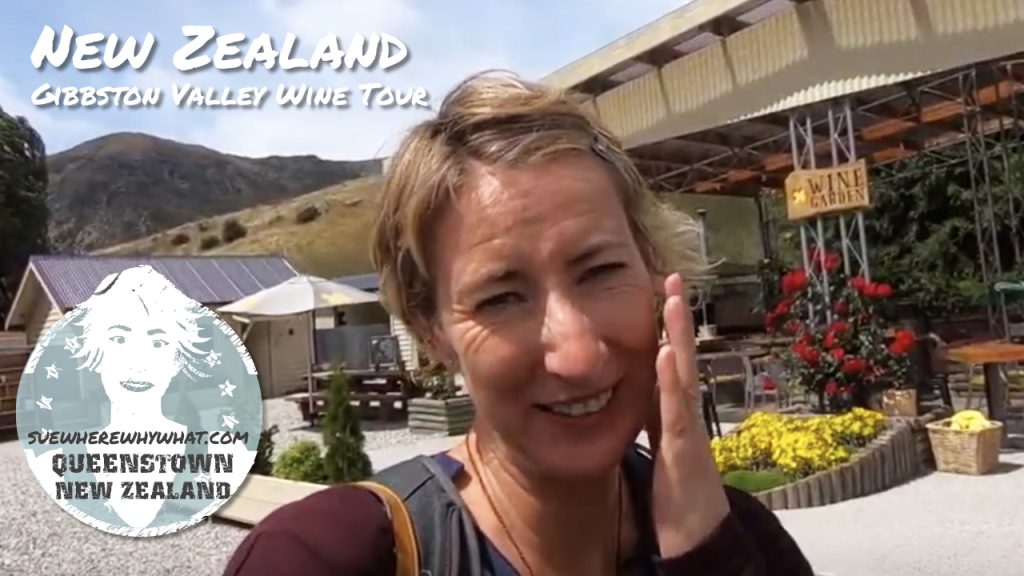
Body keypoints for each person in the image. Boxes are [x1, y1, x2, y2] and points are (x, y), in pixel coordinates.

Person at [223, 71, 813, 575]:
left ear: (655, 271)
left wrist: (706, 556)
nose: (577, 354)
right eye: (502, 298)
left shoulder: (747, 545)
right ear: (433, 331)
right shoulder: (325, 557)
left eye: (601, 270)